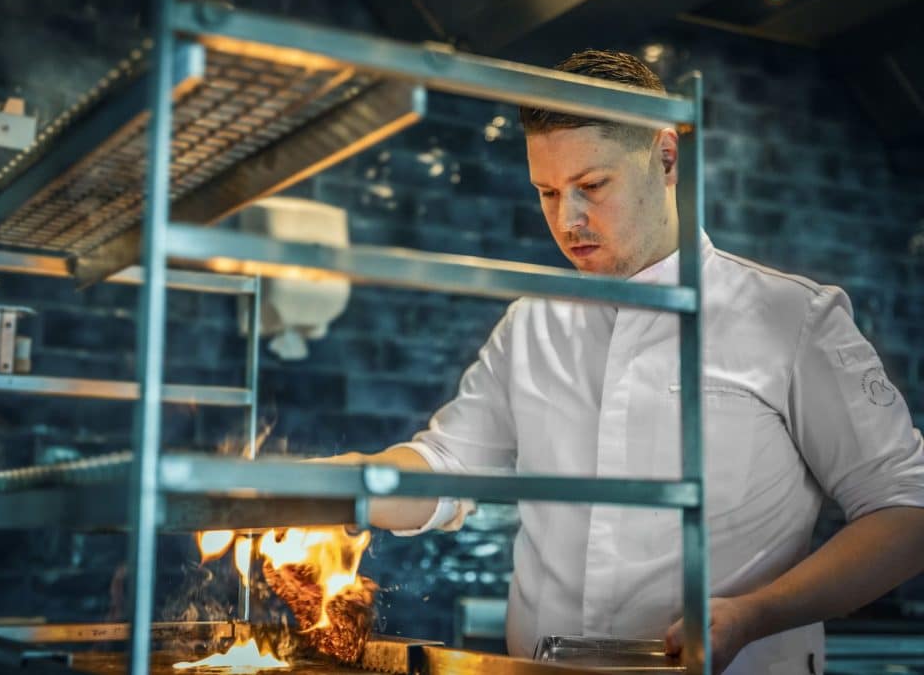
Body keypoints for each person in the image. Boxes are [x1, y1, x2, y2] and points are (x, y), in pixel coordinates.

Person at [323, 50, 924, 674]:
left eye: (592, 186)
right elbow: (446, 467)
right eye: (547, 192)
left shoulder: (794, 317)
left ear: (666, 158)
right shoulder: (531, 324)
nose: (567, 219)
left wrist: (755, 614)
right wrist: (331, 486)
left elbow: (907, 508)